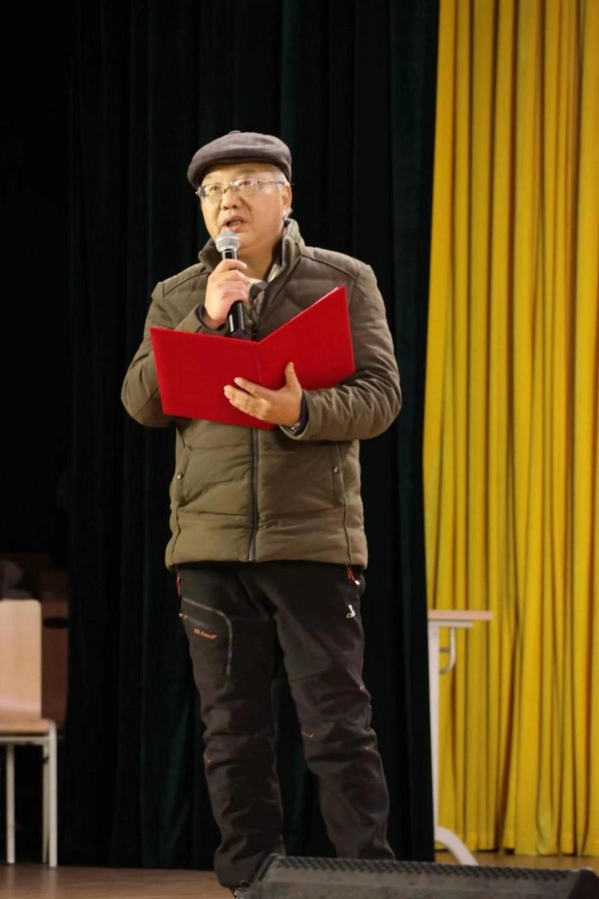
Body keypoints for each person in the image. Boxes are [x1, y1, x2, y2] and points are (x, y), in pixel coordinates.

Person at [121, 130, 402, 898]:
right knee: (231, 730)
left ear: (285, 196)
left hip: (311, 536)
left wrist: (297, 409)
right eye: (213, 189)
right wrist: (204, 319)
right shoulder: (180, 292)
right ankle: (251, 880)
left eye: (246, 182)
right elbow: (140, 400)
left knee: (337, 726)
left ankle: (367, 881)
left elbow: (380, 397)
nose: (228, 199)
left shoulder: (342, 280)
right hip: (208, 544)